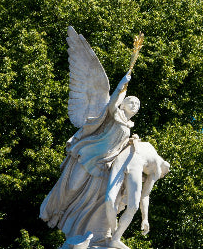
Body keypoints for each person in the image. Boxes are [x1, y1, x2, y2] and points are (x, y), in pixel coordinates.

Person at [40, 71, 139, 245]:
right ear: (123, 103)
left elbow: (120, 147)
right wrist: (121, 85)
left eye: (137, 104)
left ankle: (85, 230)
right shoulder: (114, 113)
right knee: (71, 187)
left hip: (103, 164)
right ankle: (56, 212)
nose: (135, 104)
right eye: (131, 100)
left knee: (93, 200)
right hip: (89, 153)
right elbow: (112, 103)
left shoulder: (129, 127)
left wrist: (131, 142)